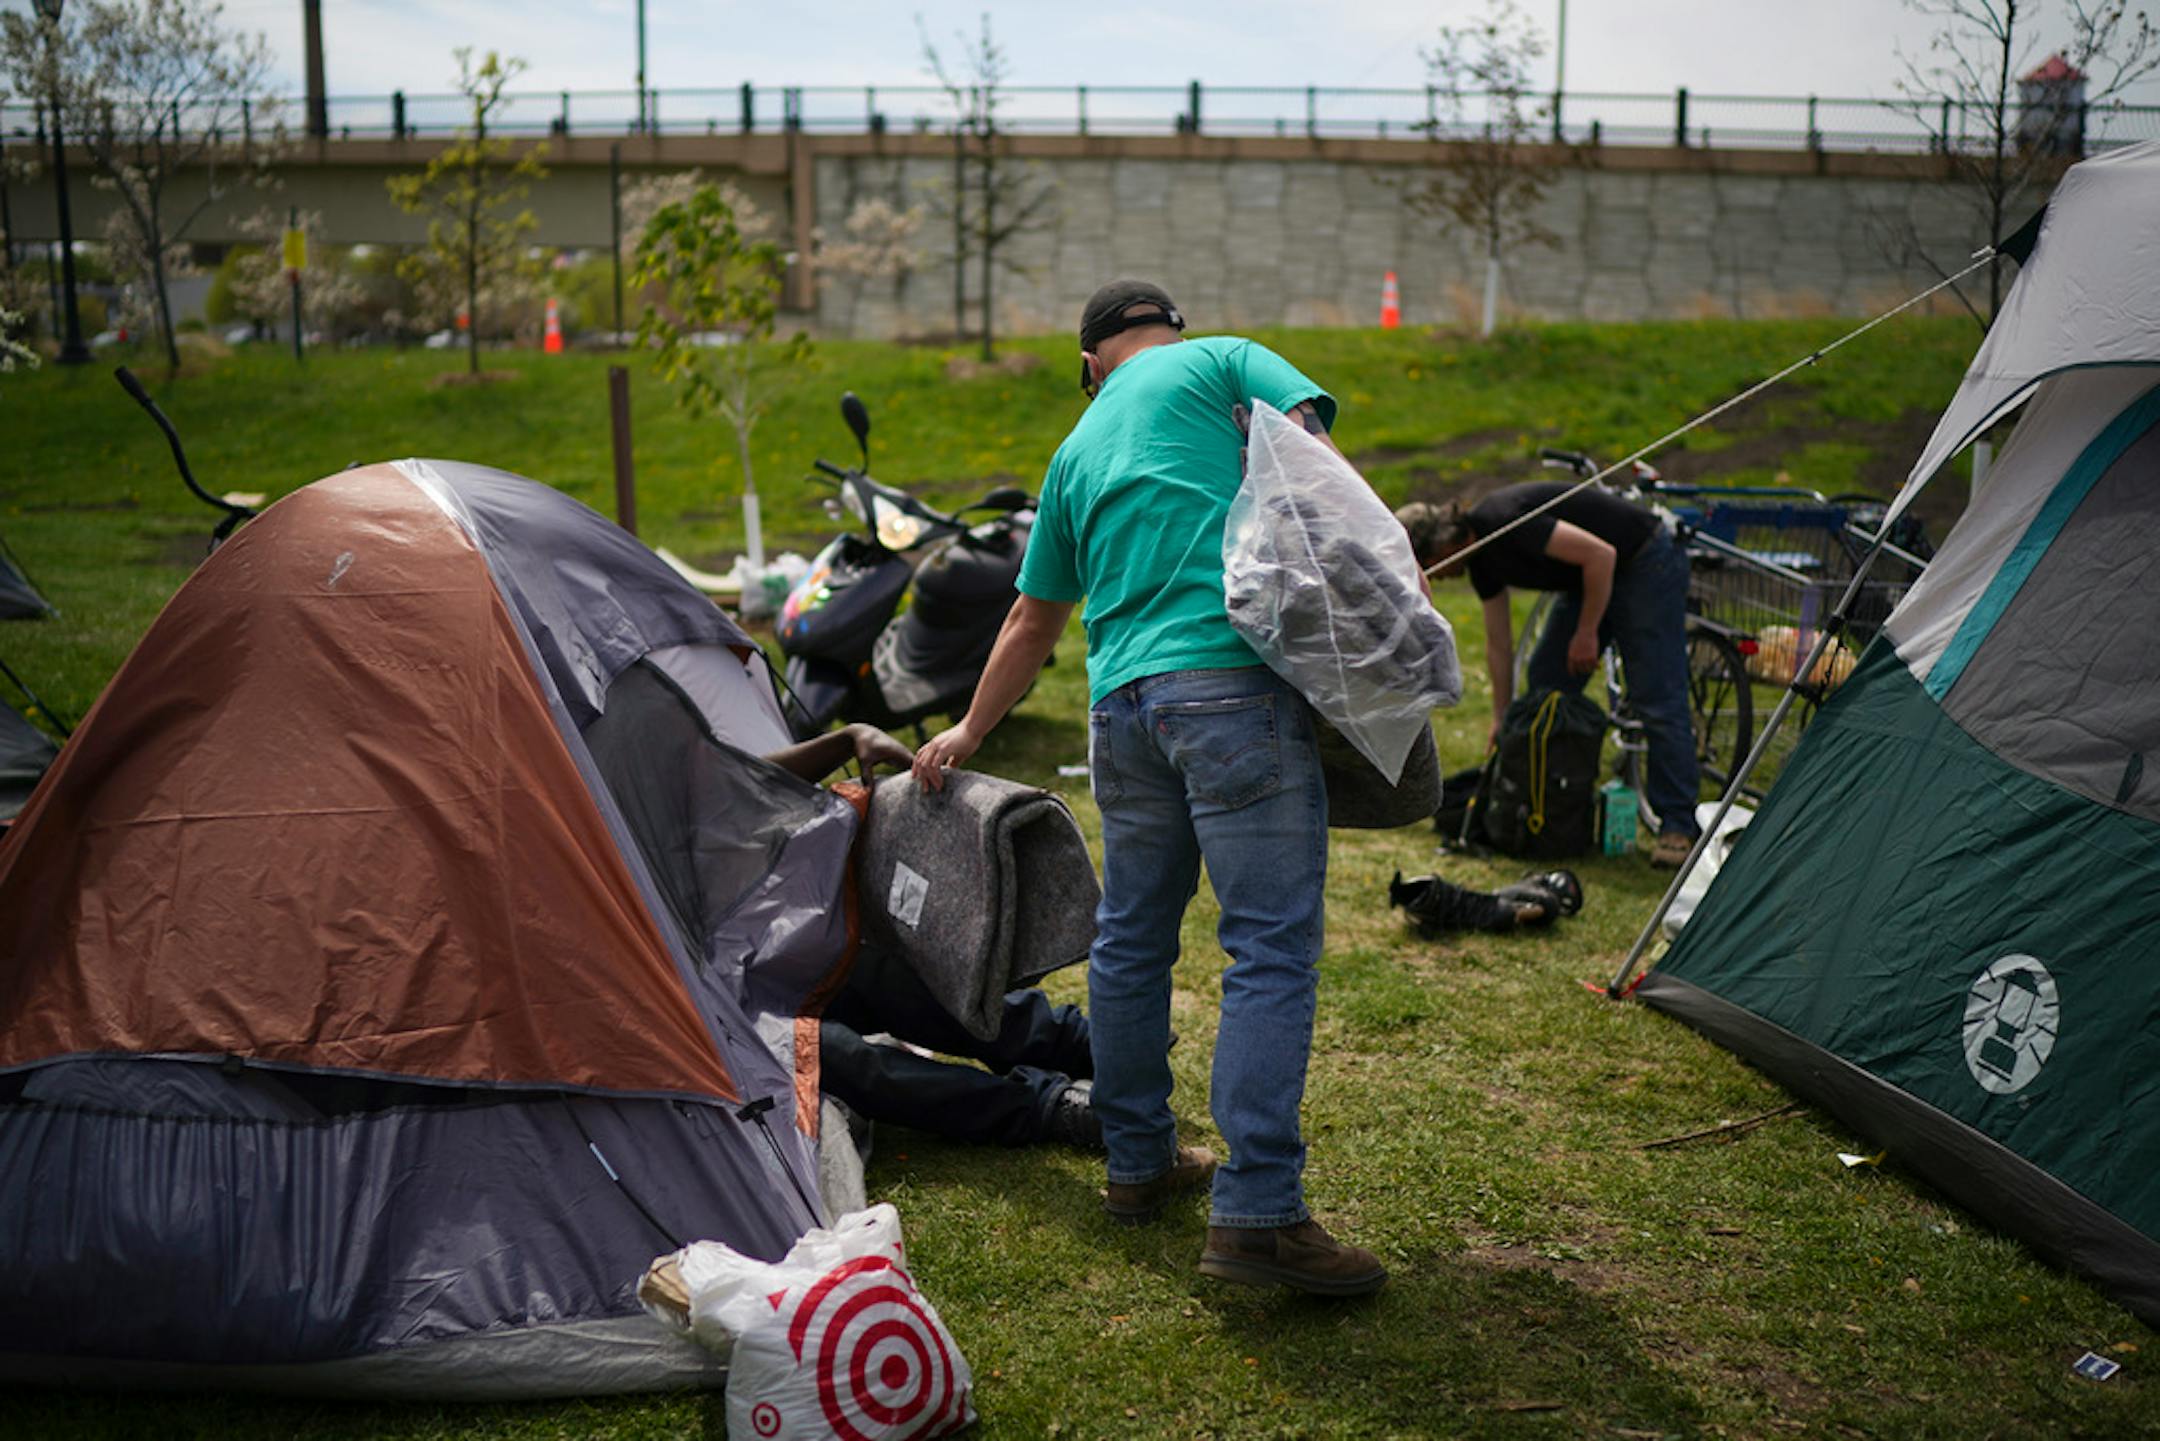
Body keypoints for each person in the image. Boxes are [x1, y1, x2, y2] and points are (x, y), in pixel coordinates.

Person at [910, 280, 1387, 1298]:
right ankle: (1259, 1217)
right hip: (1229, 688)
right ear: (1169, 330)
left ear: (1090, 365)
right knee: (1265, 945)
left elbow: (1029, 622)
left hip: (1120, 711)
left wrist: (967, 727)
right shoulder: (1223, 358)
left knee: (1131, 939)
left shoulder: (1075, 452)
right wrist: (1385, 574)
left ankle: (1135, 1162)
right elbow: (1317, 464)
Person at [765, 724, 1102, 1151]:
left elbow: (732, 781)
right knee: (841, 1058)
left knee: (886, 979)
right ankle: (1046, 1108)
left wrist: (847, 738)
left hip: (752, 959)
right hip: (713, 1020)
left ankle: (1083, 1044)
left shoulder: (659, 766)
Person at [1397, 485, 1702, 867]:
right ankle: (1555, 804)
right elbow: (1499, 644)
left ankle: (1678, 826)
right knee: (1545, 684)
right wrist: (1502, 717)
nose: (1433, 578)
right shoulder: (1483, 563)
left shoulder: (1503, 520)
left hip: (1643, 559)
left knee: (1654, 697)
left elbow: (1601, 555)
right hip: (1590, 578)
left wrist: (1587, 631)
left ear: (1446, 543)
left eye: (1427, 565)